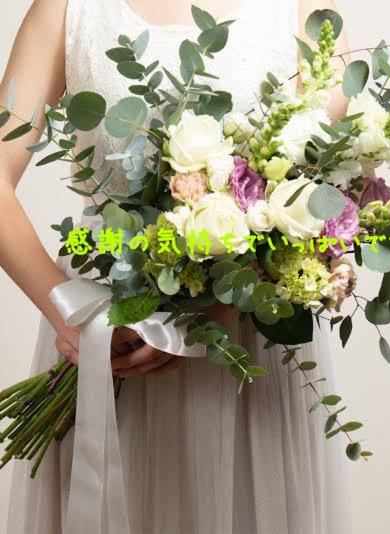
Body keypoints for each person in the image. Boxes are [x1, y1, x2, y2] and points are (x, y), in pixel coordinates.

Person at [1, 1, 353, 532]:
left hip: (243, 346)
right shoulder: (68, 8)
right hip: (104, 330)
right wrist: (68, 311)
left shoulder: (306, 11)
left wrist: (218, 308)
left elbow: (326, 192)